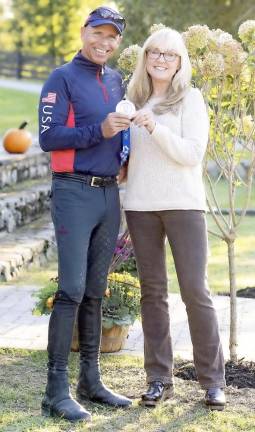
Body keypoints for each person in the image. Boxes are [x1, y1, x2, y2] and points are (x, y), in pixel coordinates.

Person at [123, 27, 226, 410]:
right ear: (145, 58)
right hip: (140, 206)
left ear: (180, 62)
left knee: (195, 292)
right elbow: (130, 158)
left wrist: (155, 127)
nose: (161, 59)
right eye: (155, 52)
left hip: (183, 204)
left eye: (170, 54)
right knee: (152, 293)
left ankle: (213, 382)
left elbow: (192, 154)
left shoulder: (191, 99)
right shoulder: (132, 100)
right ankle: (158, 380)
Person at [38, 6, 132, 423]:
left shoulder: (116, 79)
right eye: (99, 33)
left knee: (96, 290)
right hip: (73, 193)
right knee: (72, 290)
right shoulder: (61, 78)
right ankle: (55, 390)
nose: (105, 42)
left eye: (113, 37)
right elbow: (47, 136)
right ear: (83, 32)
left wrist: (124, 146)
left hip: (109, 196)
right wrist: (101, 131)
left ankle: (90, 381)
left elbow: (120, 133)